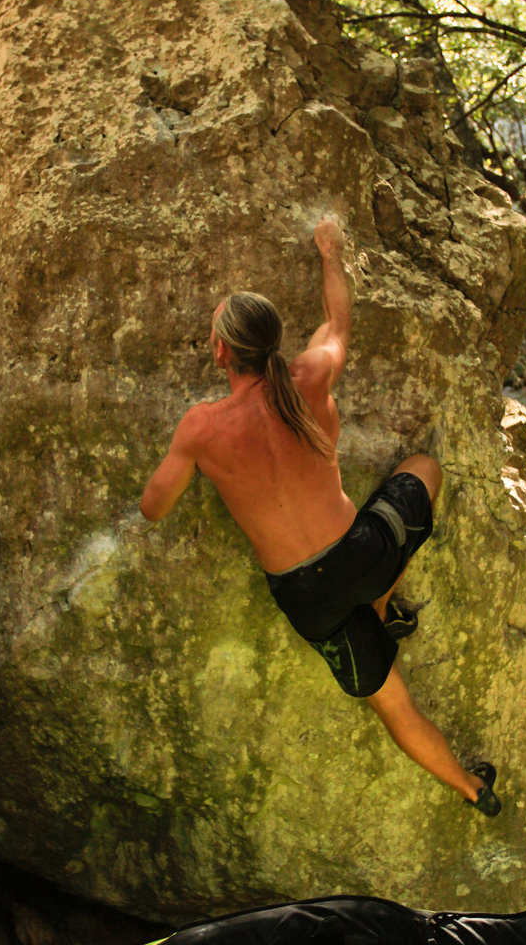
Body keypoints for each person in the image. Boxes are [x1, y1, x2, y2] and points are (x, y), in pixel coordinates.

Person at [140, 215, 501, 817]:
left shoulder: (201, 428)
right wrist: (329, 252)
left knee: (393, 703)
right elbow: (337, 321)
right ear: (272, 343)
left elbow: (153, 508)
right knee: (422, 469)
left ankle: (473, 790)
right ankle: (386, 600)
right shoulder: (309, 377)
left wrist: (192, 458)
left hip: (306, 597)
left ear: (221, 349)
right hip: (361, 555)